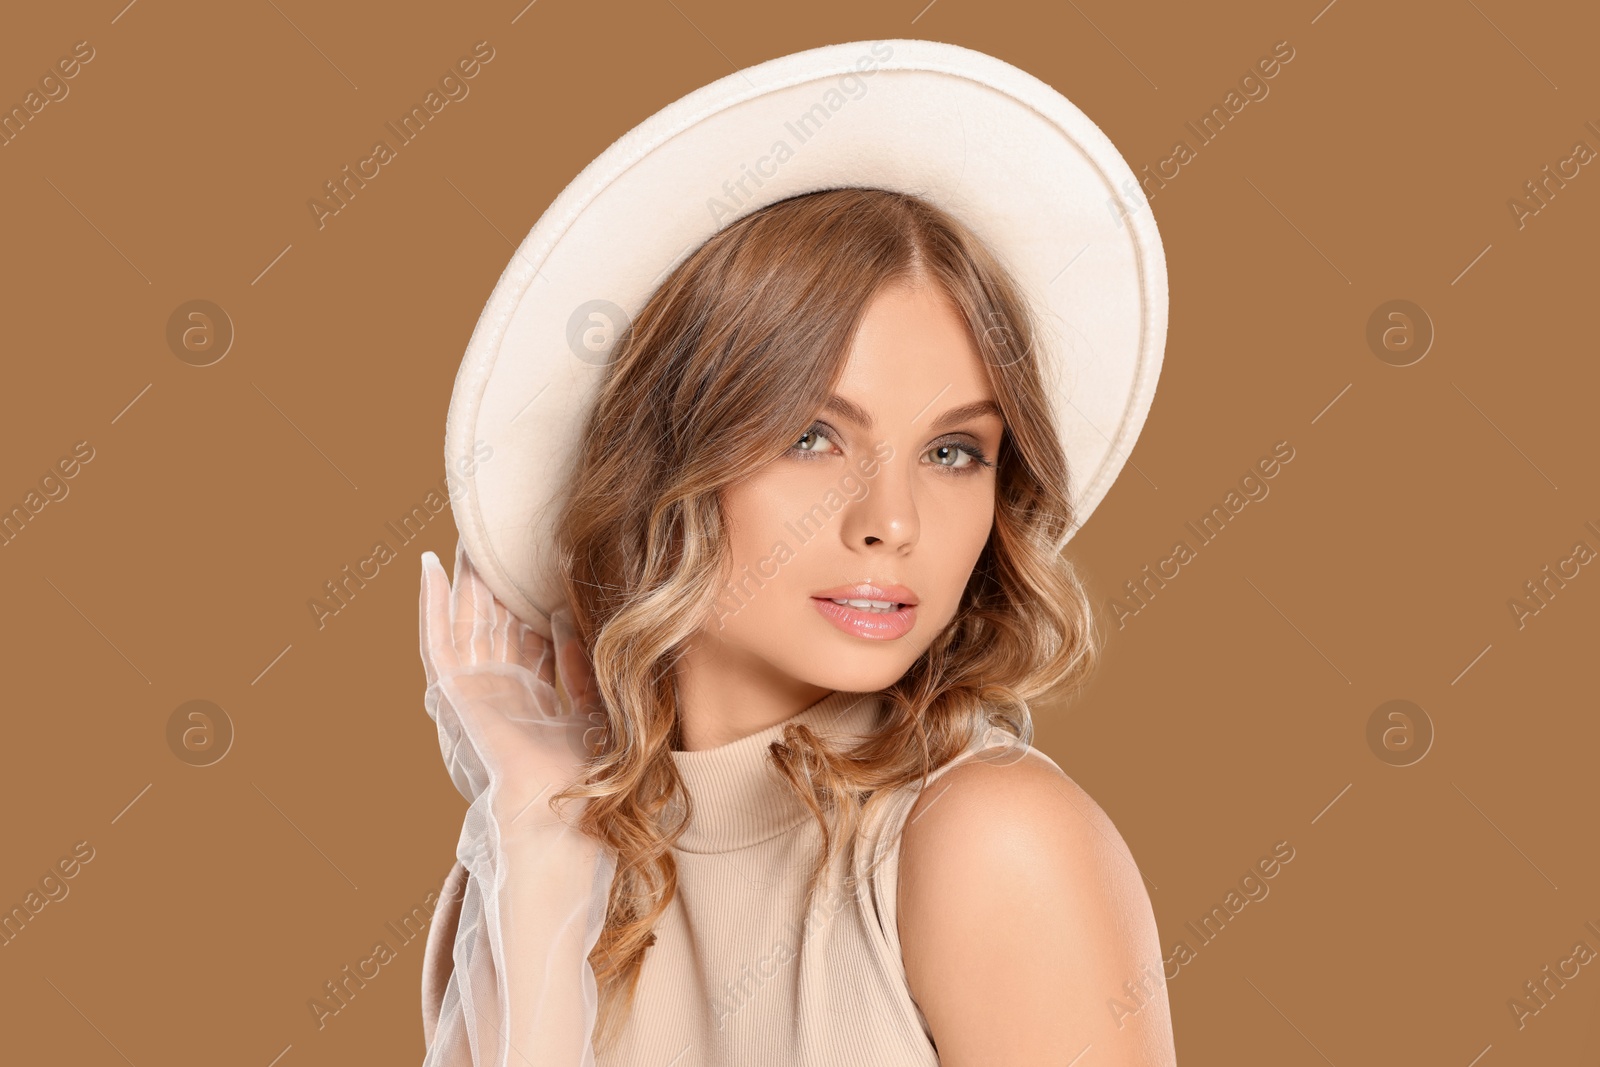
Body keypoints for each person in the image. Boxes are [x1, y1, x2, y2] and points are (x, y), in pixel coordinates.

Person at [418, 39, 1173, 1067]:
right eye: (812, 436)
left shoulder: (992, 844)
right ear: (666, 459)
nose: (892, 519)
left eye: (954, 450)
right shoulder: (522, 859)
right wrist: (541, 839)